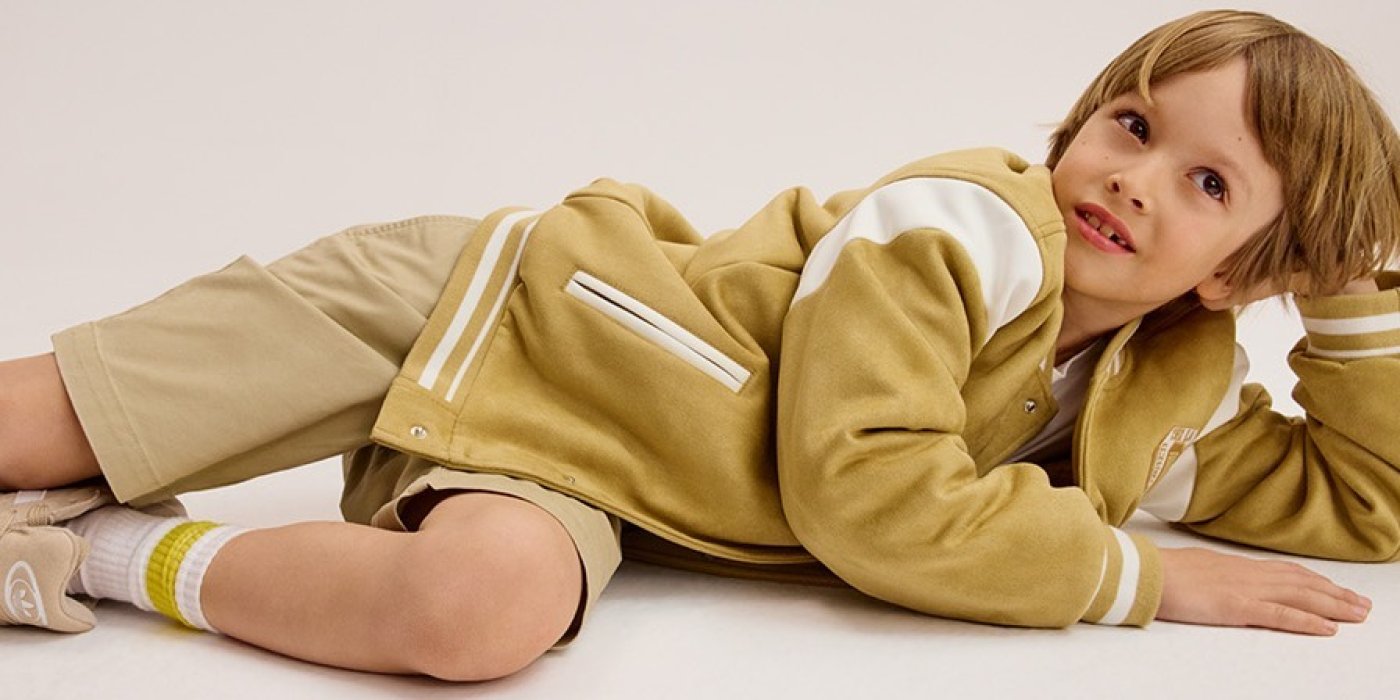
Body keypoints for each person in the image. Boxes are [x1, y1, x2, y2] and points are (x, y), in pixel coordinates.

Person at [2, 8, 1398, 682]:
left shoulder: (1161, 399)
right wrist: (1132, 576)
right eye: (1133, 126)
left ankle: (86, 552)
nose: (1137, 180)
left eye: (1208, 185)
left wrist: (1353, 288)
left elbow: (1365, 504)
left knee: (475, 614)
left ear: (1242, 275)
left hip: (584, 460)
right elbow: (870, 493)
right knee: (22, 425)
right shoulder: (960, 226)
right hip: (489, 301)